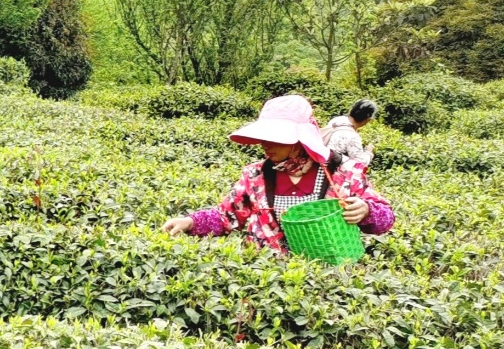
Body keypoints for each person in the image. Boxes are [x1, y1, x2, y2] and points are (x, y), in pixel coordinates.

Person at [161, 95, 394, 253]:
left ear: (299, 139)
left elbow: (385, 220)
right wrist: (190, 221)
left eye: (275, 138)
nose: (265, 144)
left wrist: (366, 211)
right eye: (264, 137)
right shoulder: (255, 175)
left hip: (326, 282)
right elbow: (227, 217)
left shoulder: (344, 172)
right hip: (268, 281)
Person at [321, 98, 378, 170]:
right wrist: (369, 152)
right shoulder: (353, 137)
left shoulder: (337, 120)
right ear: (367, 120)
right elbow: (360, 163)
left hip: (317, 162)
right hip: (327, 172)